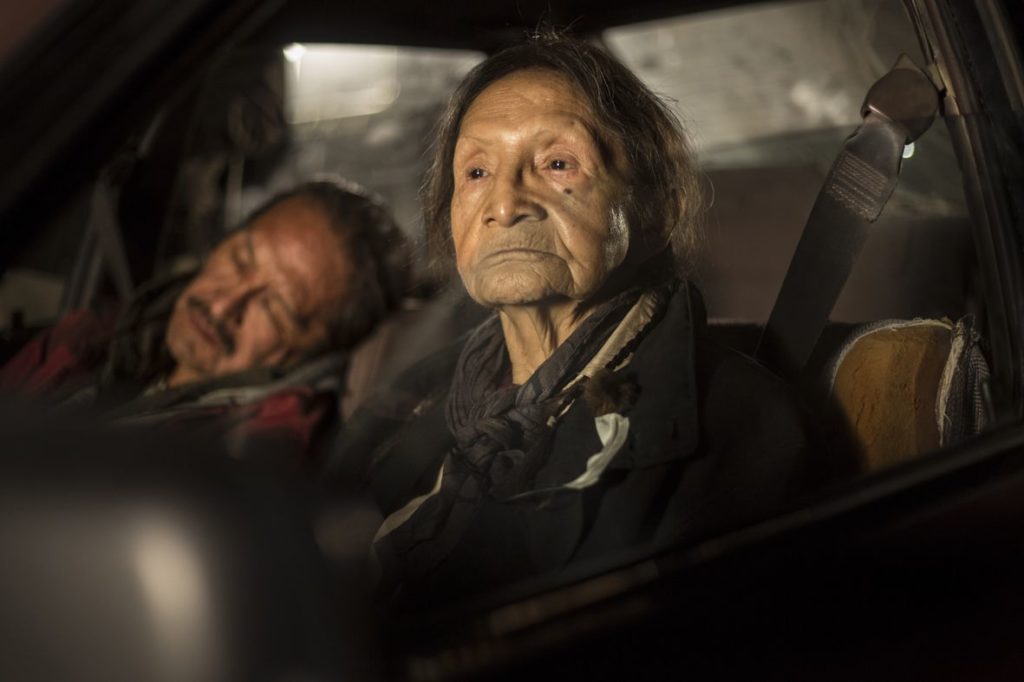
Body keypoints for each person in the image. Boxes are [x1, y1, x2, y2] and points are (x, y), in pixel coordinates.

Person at [324, 33, 809, 610]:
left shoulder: (736, 421)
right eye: (476, 172)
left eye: (558, 164)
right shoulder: (412, 396)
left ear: (656, 211)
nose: (505, 205)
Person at [1, 179, 410, 463]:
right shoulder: (88, 337)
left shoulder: (246, 457)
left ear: (314, 356)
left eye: (274, 308)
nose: (222, 306)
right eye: (240, 259)